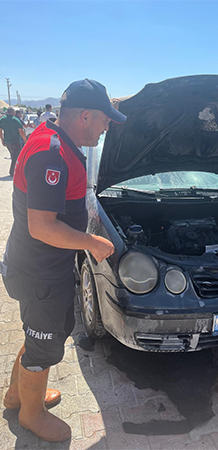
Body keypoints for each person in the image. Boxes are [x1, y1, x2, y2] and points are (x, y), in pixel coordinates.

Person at [1, 79, 124, 442]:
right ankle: (31, 414)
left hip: (40, 267)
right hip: (40, 272)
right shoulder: (51, 154)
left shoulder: (53, 139)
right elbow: (41, 226)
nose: (107, 127)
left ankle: (16, 396)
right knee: (43, 343)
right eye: (104, 119)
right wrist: (91, 242)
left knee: (35, 334)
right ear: (85, 116)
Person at [0, 107, 26, 176]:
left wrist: (2, 139)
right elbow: (21, 131)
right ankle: (13, 172)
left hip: (7, 141)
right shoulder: (15, 120)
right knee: (16, 156)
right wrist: (25, 139)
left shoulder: (2, 119)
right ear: (13, 112)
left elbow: (0, 130)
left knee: (13, 155)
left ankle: (15, 170)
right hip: (16, 141)